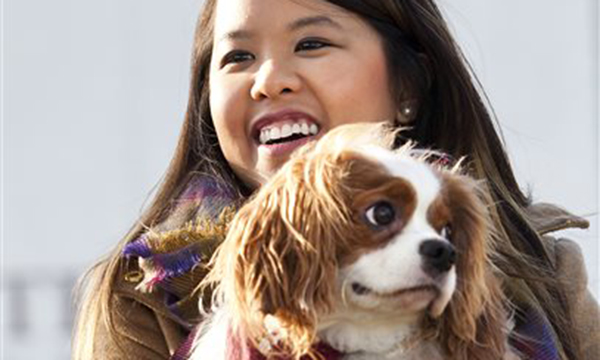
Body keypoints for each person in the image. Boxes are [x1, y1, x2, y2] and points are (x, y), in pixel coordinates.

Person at [71, 0, 599, 359]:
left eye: (311, 44)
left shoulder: (541, 267)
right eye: (238, 57)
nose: (270, 81)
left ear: (408, 84)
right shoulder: (141, 294)